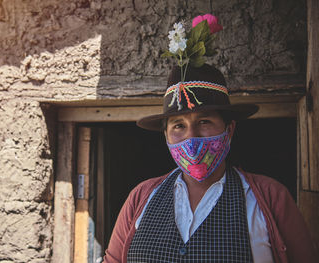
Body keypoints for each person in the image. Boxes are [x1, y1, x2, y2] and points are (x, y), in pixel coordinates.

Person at [103, 63, 317, 262]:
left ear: (229, 129)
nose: (191, 137)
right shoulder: (141, 197)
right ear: (166, 136)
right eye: (178, 125)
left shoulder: (270, 198)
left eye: (204, 121)